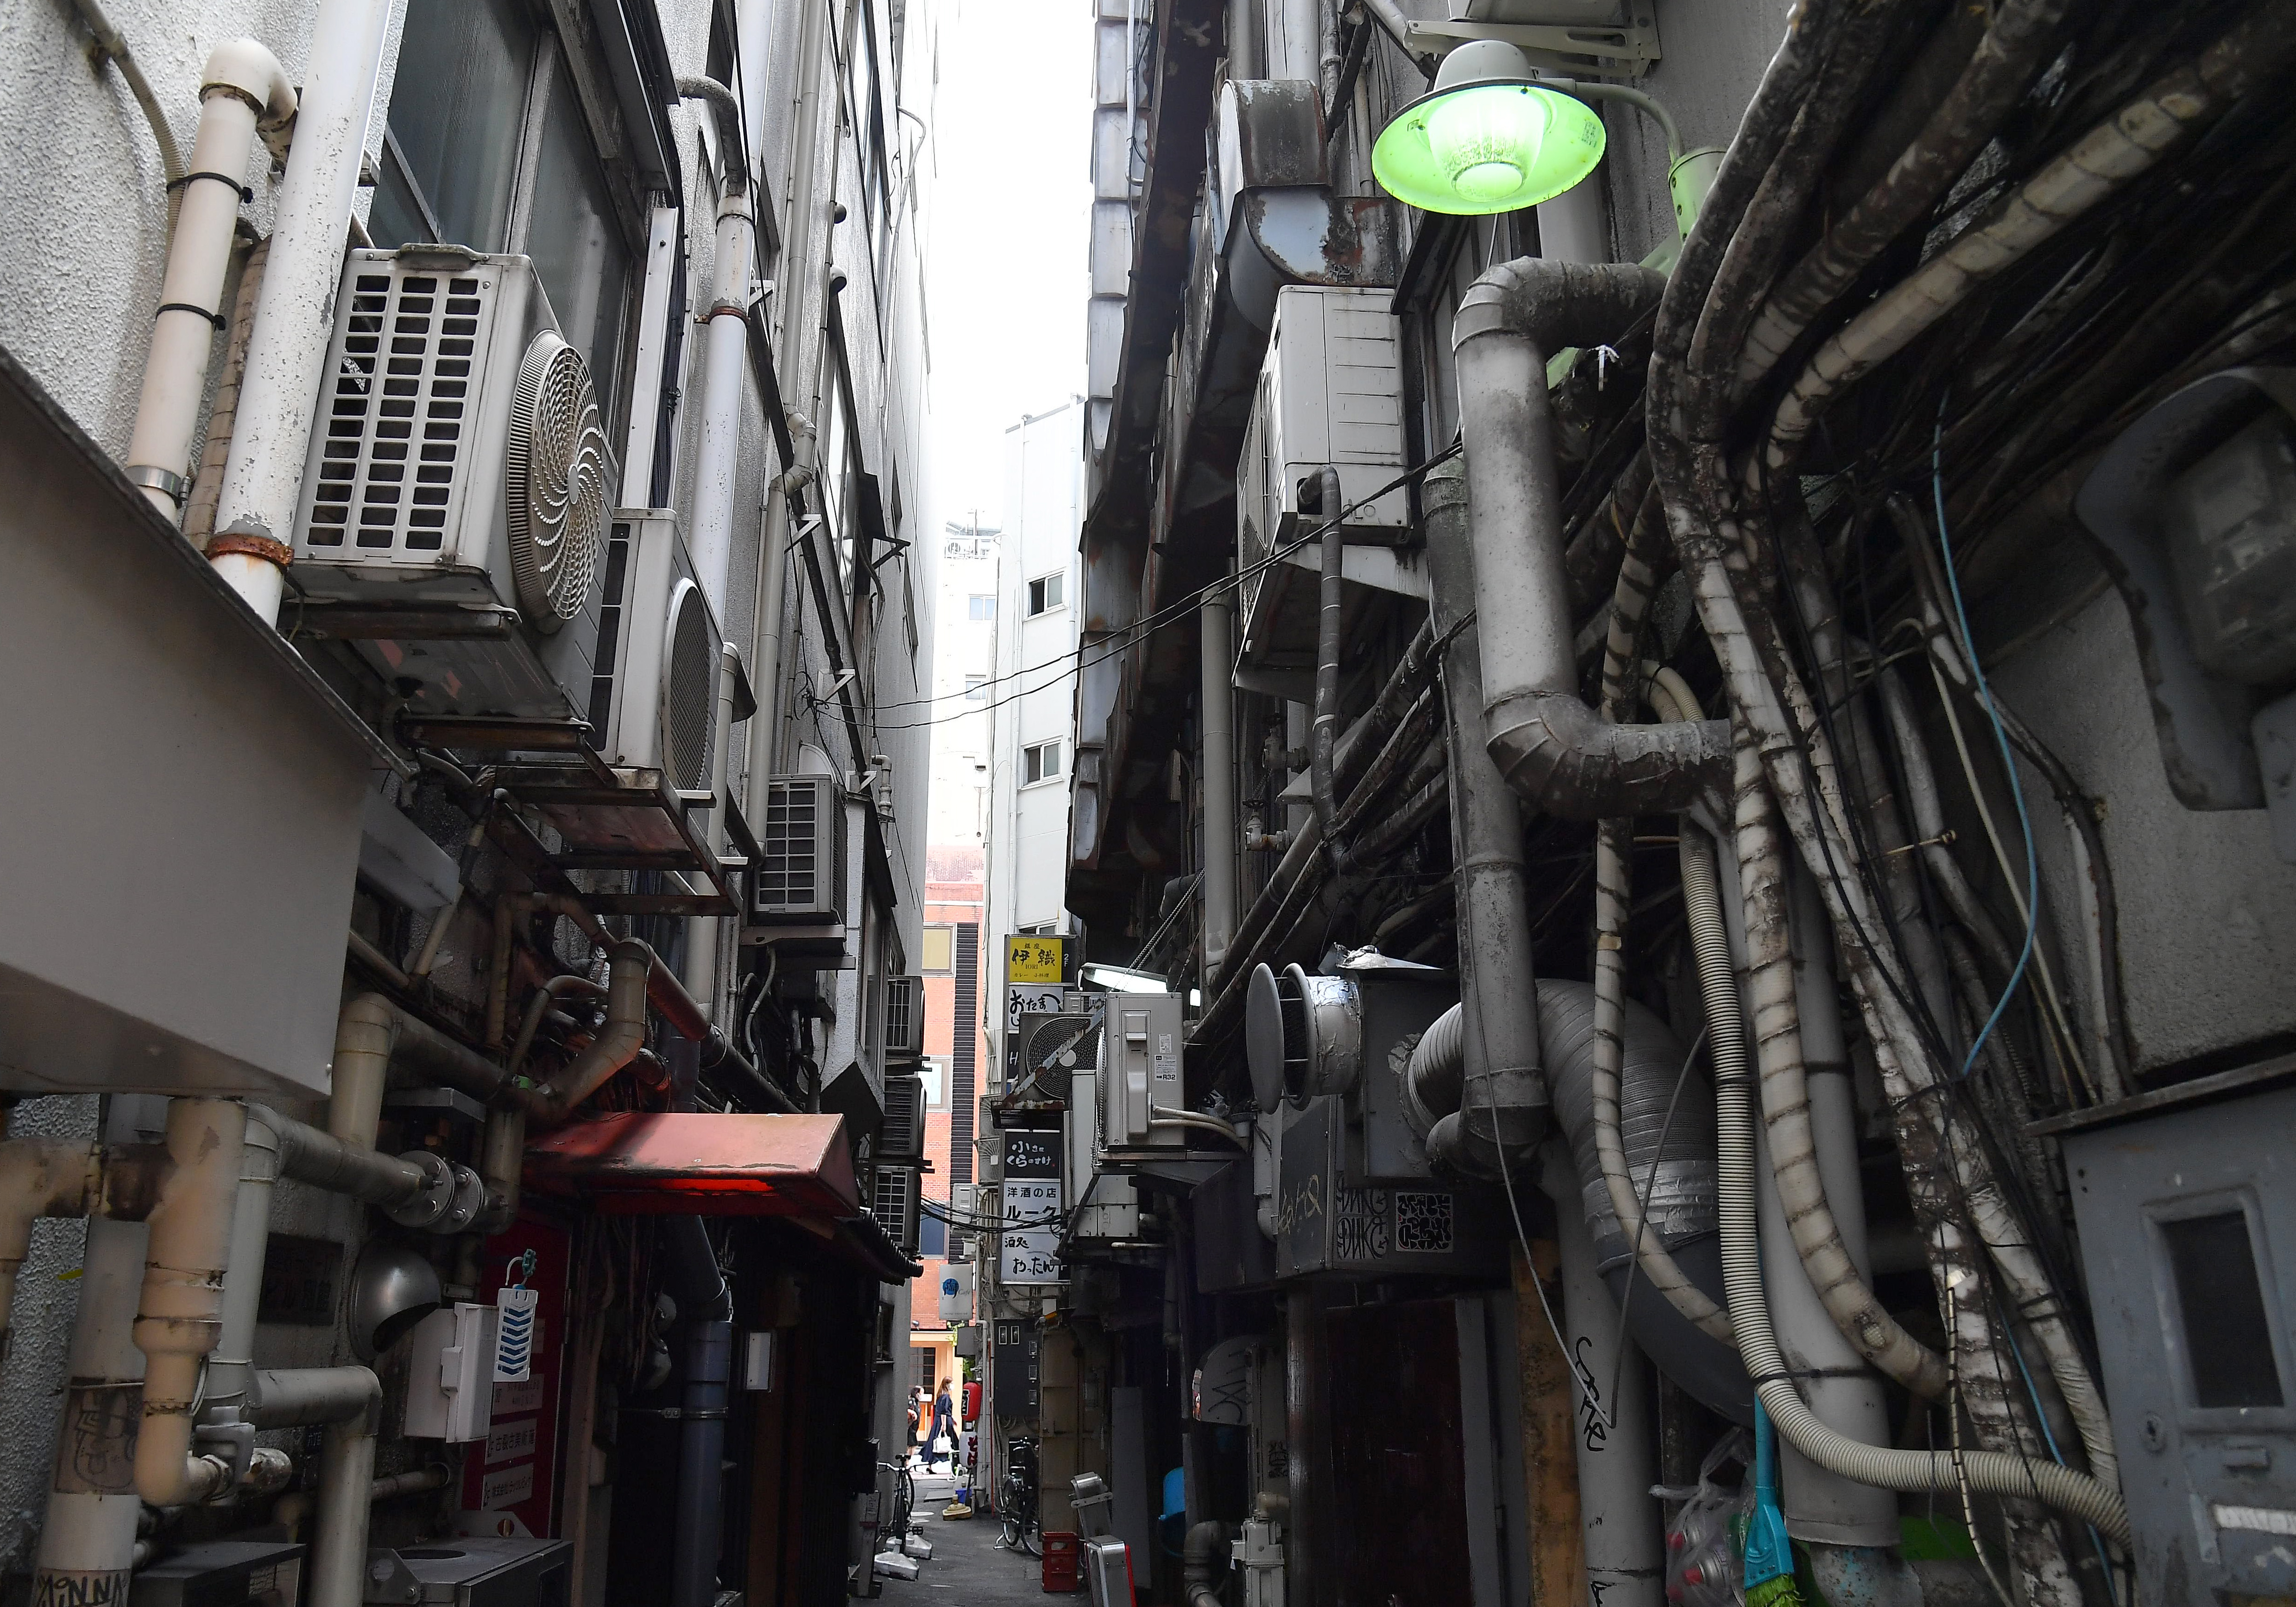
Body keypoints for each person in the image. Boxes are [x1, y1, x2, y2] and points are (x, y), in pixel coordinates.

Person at [926, 1377, 955, 1470]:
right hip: (944, 1421)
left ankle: (930, 1463)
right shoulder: (946, 1396)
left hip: (938, 1420)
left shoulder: (940, 1395)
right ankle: (956, 1464)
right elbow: (944, 1411)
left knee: (935, 1442)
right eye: (951, 1383)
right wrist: (944, 1424)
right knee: (953, 1442)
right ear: (947, 1384)